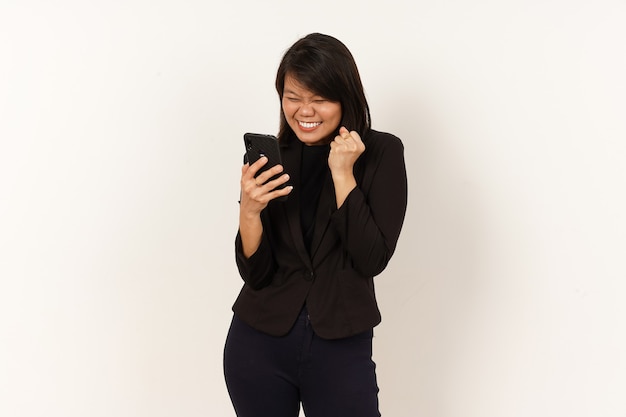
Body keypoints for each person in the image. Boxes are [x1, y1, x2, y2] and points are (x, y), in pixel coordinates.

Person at [223, 33, 408, 417]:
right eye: (293, 97)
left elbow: (371, 258)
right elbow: (255, 275)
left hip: (339, 345)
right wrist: (250, 212)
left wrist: (343, 174)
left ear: (346, 98)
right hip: (258, 344)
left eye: (319, 99)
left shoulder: (382, 153)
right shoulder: (274, 156)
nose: (304, 110)